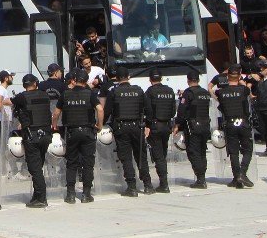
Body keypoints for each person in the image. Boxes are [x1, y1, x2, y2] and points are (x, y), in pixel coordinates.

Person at [53, 69, 103, 203]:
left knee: (71, 164)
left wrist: (55, 125)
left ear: (74, 80)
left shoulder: (65, 94)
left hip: (71, 132)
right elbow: (100, 109)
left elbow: (56, 113)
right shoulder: (90, 94)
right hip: (88, 131)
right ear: (86, 81)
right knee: (87, 164)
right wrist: (100, 125)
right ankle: (86, 194)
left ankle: (70, 195)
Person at [104, 66, 149, 197]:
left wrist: (100, 125)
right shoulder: (139, 91)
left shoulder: (114, 92)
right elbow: (148, 109)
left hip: (121, 127)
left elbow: (107, 111)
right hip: (137, 127)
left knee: (126, 158)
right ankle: (147, 185)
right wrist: (148, 125)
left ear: (117, 79)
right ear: (128, 76)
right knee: (141, 156)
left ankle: (132, 187)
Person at [11, 74, 52, 208]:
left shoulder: (22, 97)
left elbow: (9, 102)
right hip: (45, 135)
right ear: (36, 83)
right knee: (38, 166)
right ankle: (37, 194)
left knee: (35, 168)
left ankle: (41, 197)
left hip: (32, 136)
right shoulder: (45, 95)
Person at [216, 65, 254, 188]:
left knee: (233, 152)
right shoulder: (244, 90)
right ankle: (242, 173)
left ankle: (237, 177)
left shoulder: (221, 92)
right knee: (248, 149)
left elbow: (220, 105)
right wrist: (241, 79)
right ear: (239, 76)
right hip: (243, 122)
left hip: (230, 123)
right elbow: (247, 90)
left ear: (227, 77)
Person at [173, 71, 211, 189]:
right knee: (202, 150)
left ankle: (200, 178)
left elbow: (182, 111)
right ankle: (202, 175)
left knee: (193, 152)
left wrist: (177, 124)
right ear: (198, 80)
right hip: (205, 125)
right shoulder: (205, 92)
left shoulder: (188, 94)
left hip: (193, 126)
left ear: (188, 80)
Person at [144, 69, 175, 193]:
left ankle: (164, 184)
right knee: (163, 153)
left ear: (150, 79)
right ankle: (164, 181)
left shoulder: (150, 92)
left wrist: (148, 125)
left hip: (155, 126)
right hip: (167, 126)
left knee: (158, 156)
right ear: (161, 78)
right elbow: (173, 111)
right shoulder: (170, 90)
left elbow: (148, 111)